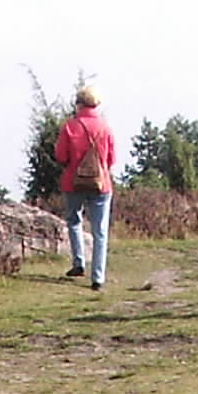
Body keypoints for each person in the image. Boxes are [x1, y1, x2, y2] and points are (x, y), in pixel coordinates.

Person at [53, 84, 117, 290]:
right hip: (101, 183)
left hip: (73, 182)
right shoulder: (106, 128)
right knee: (100, 231)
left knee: (74, 221)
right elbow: (111, 159)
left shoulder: (70, 126)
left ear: (79, 103)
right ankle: (98, 278)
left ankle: (79, 263)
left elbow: (61, 156)